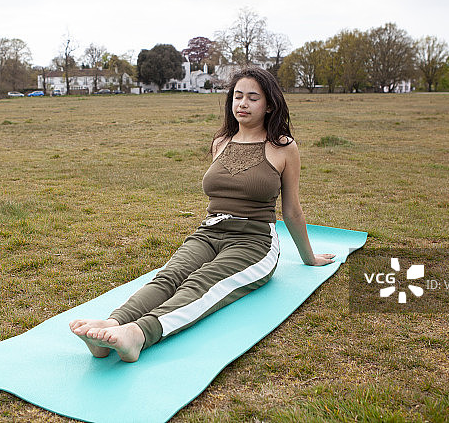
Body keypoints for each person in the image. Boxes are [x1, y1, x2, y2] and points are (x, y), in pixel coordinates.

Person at [69, 67, 335, 362]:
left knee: (202, 283)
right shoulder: (221, 141)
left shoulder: (283, 147)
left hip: (254, 242)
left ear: (269, 104)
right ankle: (114, 324)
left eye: (252, 98)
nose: (242, 104)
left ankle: (139, 334)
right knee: (170, 276)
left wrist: (308, 257)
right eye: (238, 96)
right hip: (209, 231)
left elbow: (292, 210)